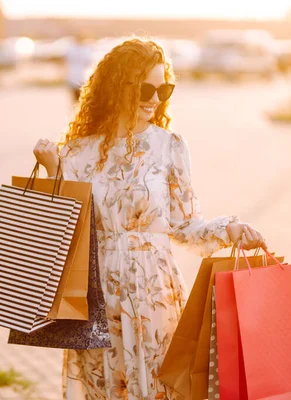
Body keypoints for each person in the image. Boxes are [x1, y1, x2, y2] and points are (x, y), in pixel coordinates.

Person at [33, 37, 266, 400]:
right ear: (116, 87)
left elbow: (185, 227)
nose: (155, 98)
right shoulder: (78, 152)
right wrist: (53, 172)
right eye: (145, 88)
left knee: (160, 388)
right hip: (97, 297)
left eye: (163, 88)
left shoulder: (169, 146)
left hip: (155, 295)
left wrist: (228, 229)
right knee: (105, 390)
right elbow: (64, 232)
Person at [66, 35, 93, 103]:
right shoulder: (85, 49)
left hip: (72, 76)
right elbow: (88, 61)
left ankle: (75, 111)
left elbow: (66, 61)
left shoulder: (71, 49)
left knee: (75, 99)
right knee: (82, 99)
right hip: (82, 77)